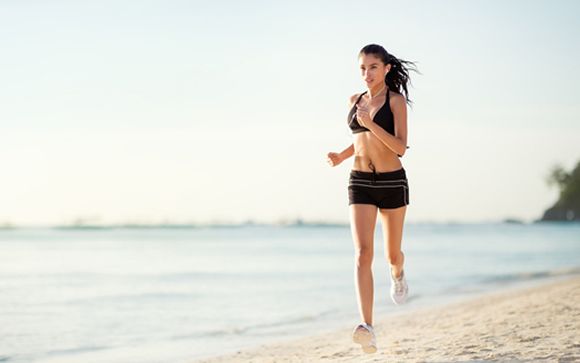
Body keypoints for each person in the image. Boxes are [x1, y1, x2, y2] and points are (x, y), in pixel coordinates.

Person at [326, 44, 418, 354]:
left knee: (392, 255)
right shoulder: (356, 101)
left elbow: (400, 147)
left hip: (392, 183)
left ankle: (398, 273)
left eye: (373, 67)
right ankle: (368, 325)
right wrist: (342, 155)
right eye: (363, 68)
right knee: (362, 254)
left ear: (387, 68)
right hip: (360, 181)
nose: (367, 74)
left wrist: (371, 123)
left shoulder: (396, 102)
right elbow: (361, 140)